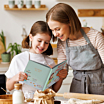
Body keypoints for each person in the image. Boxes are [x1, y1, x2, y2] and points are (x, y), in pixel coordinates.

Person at [46, 3, 104, 95]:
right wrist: (55, 72)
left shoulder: (95, 36)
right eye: (52, 30)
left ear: (69, 22)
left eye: (57, 29)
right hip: (77, 90)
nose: (55, 34)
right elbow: (63, 71)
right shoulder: (62, 43)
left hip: (100, 87)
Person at [5, 21, 67, 93]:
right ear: (31, 37)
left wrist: (60, 78)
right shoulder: (18, 59)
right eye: (39, 40)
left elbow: (54, 89)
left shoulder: (50, 61)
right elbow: (8, 87)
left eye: (46, 42)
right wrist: (15, 78)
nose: (42, 45)